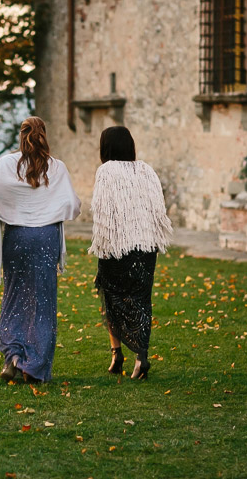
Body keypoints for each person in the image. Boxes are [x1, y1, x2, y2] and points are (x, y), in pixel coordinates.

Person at [0, 117, 81, 383]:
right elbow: (72, 205)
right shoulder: (57, 167)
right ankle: (33, 366)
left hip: (17, 236)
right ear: (44, 135)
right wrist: (50, 206)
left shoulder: (8, 164)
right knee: (42, 301)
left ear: (21, 136)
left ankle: (12, 357)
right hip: (46, 237)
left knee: (15, 295)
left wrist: (6, 207)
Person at [89, 126, 172, 380]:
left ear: (106, 148)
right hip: (145, 248)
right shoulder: (147, 170)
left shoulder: (106, 171)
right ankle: (141, 358)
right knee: (141, 300)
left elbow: (101, 211)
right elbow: (158, 207)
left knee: (111, 296)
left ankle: (117, 353)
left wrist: (103, 243)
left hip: (116, 247)